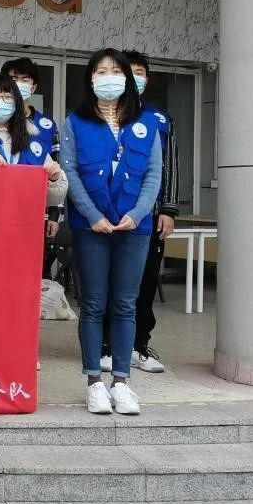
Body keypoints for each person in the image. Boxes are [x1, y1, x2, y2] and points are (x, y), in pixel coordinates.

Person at [60, 48, 162, 416]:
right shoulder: (75, 122)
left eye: (116, 71)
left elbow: (153, 174)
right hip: (91, 227)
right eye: (101, 71)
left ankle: (121, 382)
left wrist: (137, 213)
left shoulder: (147, 122)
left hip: (135, 227)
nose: (109, 78)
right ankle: (94, 383)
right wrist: (91, 215)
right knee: (93, 305)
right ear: (90, 79)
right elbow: (69, 172)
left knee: (125, 305)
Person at [100, 50, 179, 374]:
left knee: (144, 283)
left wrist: (168, 210)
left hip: (149, 216)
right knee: (108, 282)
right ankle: (106, 346)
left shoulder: (159, 120)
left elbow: (169, 165)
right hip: (110, 214)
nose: (135, 78)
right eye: (127, 72)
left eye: (140, 72)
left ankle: (138, 346)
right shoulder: (103, 116)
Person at [2, 57, 63, 275]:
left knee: (33, 274)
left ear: (34, 87)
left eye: (24, 80)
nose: (18, 84)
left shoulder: (46, 126)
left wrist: (55, 215)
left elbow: (56, 170)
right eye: (12, 79)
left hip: (35, 214)